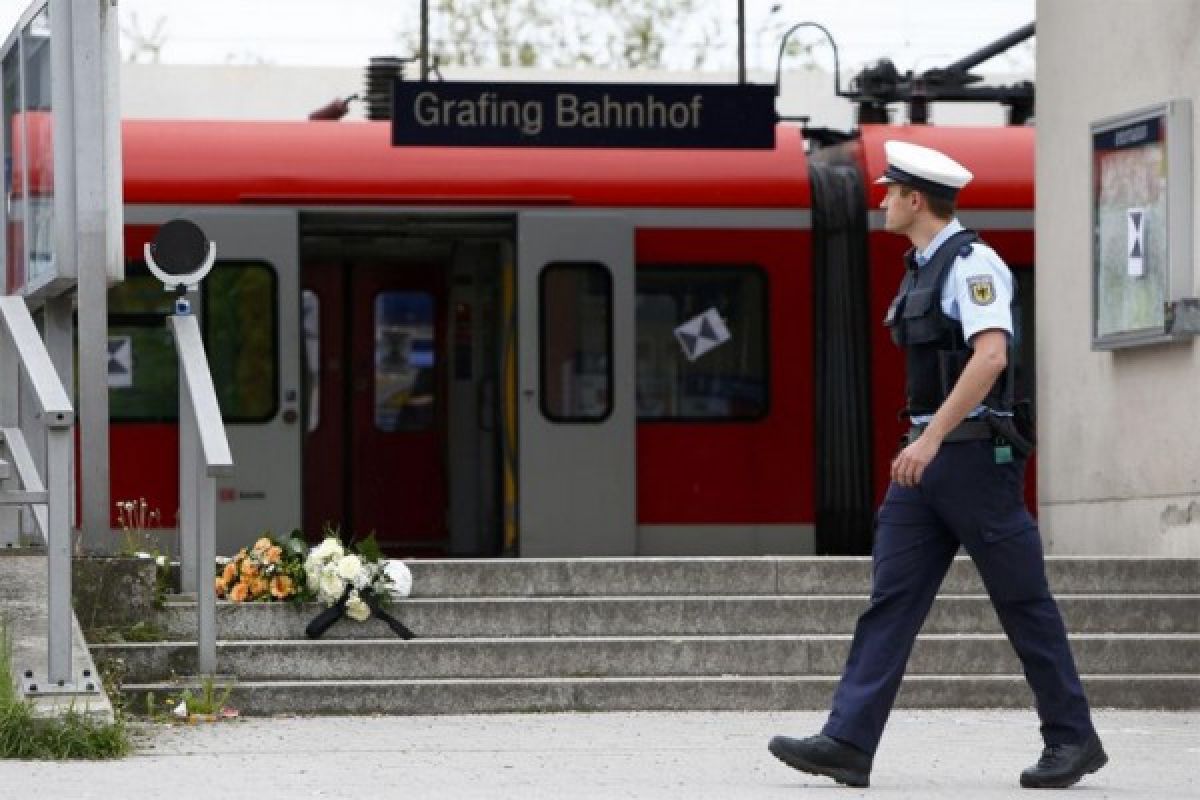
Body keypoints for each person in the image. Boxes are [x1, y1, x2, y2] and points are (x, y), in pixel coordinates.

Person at [768, 141, 1107, 790]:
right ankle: (847, 741)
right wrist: (924, 443)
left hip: (975, 460)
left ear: (916, 199)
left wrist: (930, 440)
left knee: (1023, 602)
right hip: (929, 464)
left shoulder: (973, 264)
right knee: (890, 600)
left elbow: (990, 358)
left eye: (890, 192)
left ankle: (1073, 738)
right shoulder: (922, 265)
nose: (882, 200)